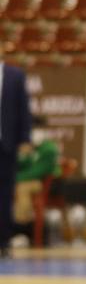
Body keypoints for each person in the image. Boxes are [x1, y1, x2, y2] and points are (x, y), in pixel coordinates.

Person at [0, 53, 33, 257]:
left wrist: (25, 138)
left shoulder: (15, 75)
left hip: (6, 144)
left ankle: (3, 241)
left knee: (4, 194)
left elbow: (24, 109)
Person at [13, 124, 59, 243]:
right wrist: (23, 156)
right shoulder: (30, 146)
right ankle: (16, 225)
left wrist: (14, 179)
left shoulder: (49, 148)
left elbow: (39, 171)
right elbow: (22, 167)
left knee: (22, 187)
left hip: (44, 184)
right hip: (27, 180)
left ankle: (20, 226)